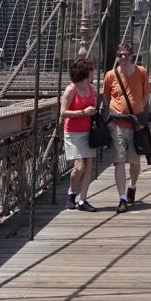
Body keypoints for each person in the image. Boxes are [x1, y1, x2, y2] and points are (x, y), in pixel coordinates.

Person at [102, 41, 150, 213]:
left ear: (131, 56)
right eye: (120, 55)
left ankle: (133, 186)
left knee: (135, 162)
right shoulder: (110, 75)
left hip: (136, 124)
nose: (123, 58)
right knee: (119, 161)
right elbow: (107, 97)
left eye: (126, 55)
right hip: (117, 125)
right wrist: (116, 110)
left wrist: (140, 112)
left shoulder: (141, 72)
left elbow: (146, 94)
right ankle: (122, 198)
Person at [59, 57, 100, 211]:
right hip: (73, 133)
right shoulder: (71, 90)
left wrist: (93, 112)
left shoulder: (92, 89)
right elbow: (63, 113)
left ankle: (82, 200)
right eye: (91, 71)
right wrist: (83, 112)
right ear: (84, 73)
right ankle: (71, 192)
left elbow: (93, 107)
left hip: (88, 131)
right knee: (79, 167)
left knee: (89, 165)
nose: (93, 74)